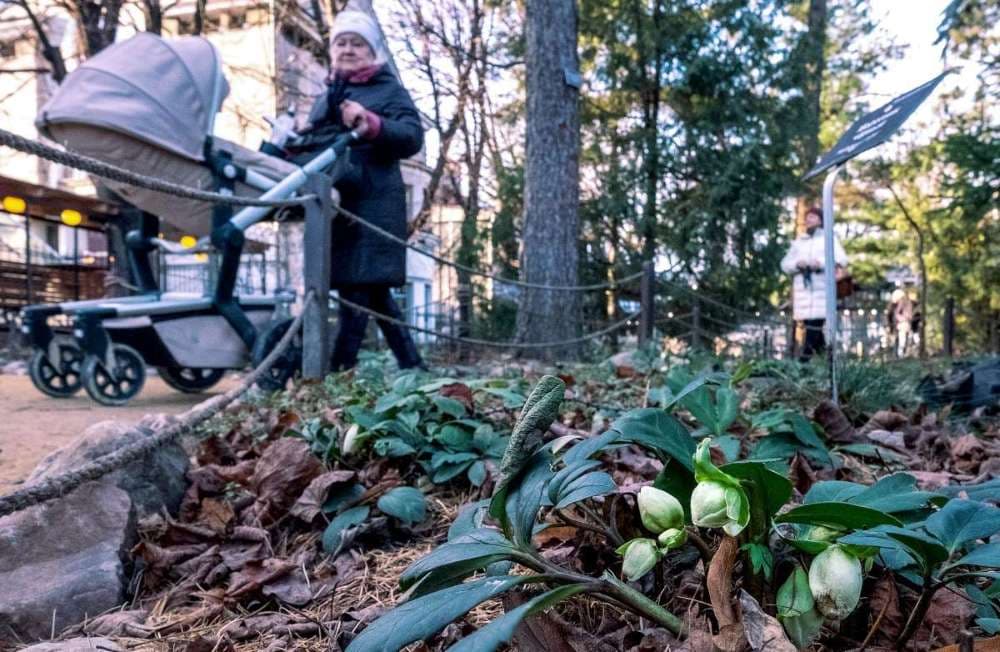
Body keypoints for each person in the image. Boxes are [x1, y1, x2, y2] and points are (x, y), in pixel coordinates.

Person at [281, 10, 426, 372]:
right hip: (340, 204)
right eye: (341, 42)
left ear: (371, 50)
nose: (347, 49)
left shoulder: (388, 89)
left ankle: (337, 373)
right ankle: (414, 369)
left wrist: (371, 122)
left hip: (375, 205)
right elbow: (318, 140)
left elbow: (411, 136)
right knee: (370, 291)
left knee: (358, 291)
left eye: (356, 43)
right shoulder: (329, 94)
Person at [780, 206, 848, 361]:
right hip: (804, 293)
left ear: (820, 220)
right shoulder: (799, 242)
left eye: (813, 217)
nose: (809, 220)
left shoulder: (829, 239)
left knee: (815, 324)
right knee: (813, 329)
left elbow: (842, 259)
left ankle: (804, 361)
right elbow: (785, 264)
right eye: (807, 217)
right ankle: (828, 361)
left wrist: (821, 263)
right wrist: (798, 264)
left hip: (822, 290)